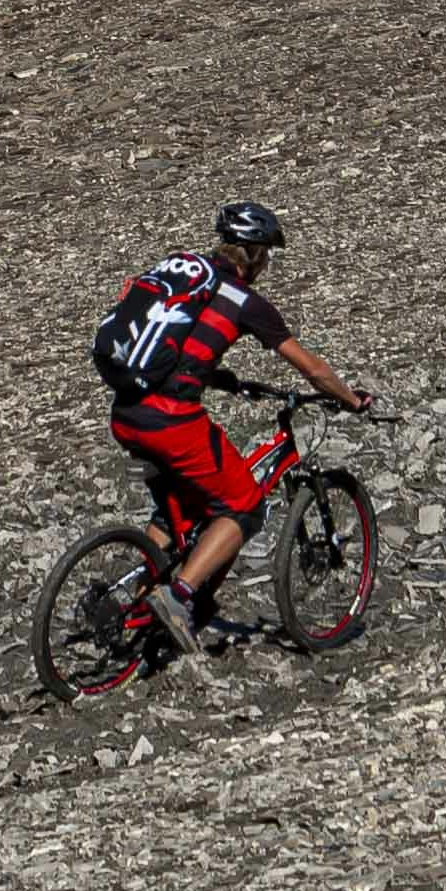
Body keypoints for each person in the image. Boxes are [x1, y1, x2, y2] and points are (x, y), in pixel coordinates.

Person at [92, 204, 373, 645]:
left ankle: (137, 600)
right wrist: (353, 400)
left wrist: (223, 379)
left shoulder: (190, 280)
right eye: (268, 256)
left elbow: (179, 346)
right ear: (256, 253)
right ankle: (178, 596)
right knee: (243, 505)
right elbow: (313, 371)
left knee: (178, 510)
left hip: (127, 413)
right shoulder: (248, 303)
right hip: (170, 422)